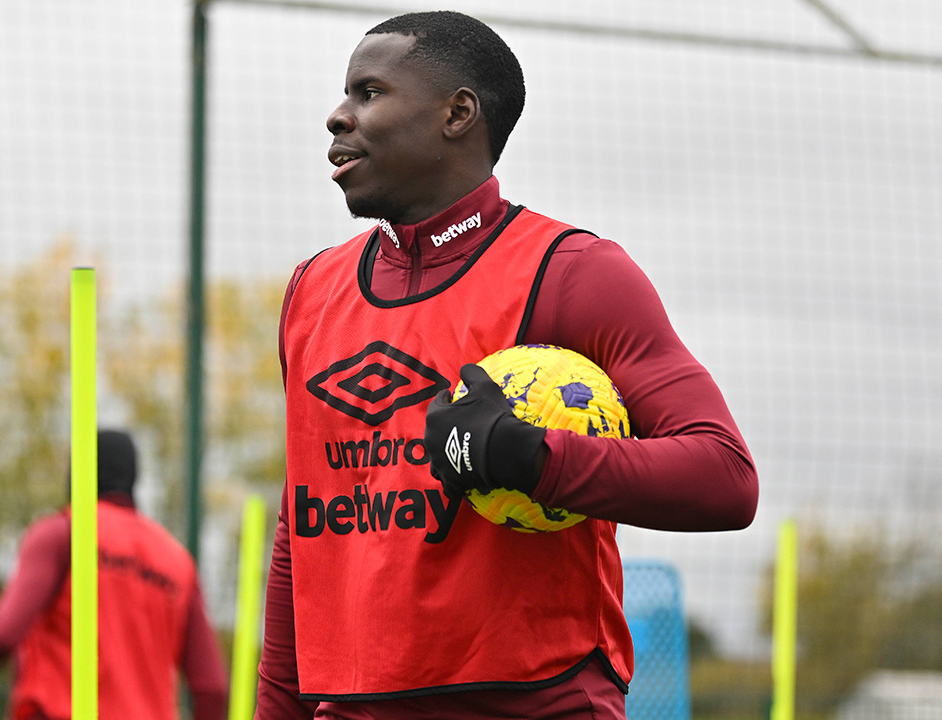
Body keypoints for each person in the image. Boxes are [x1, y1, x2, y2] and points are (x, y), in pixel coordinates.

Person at [258, 10, 758, 719]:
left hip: (538, 701)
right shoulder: (312, 292)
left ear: (457, 114)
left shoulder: (574, 272)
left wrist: (531, 458)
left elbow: (725, 478)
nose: (338, 117)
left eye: (369, 93)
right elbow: (300, 534)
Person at [0, 429, 229, 720]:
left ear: (75, 472)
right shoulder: (176, 561)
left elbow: (3, 633)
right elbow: (212, 688)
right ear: (134, 479)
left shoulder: (62, 532)